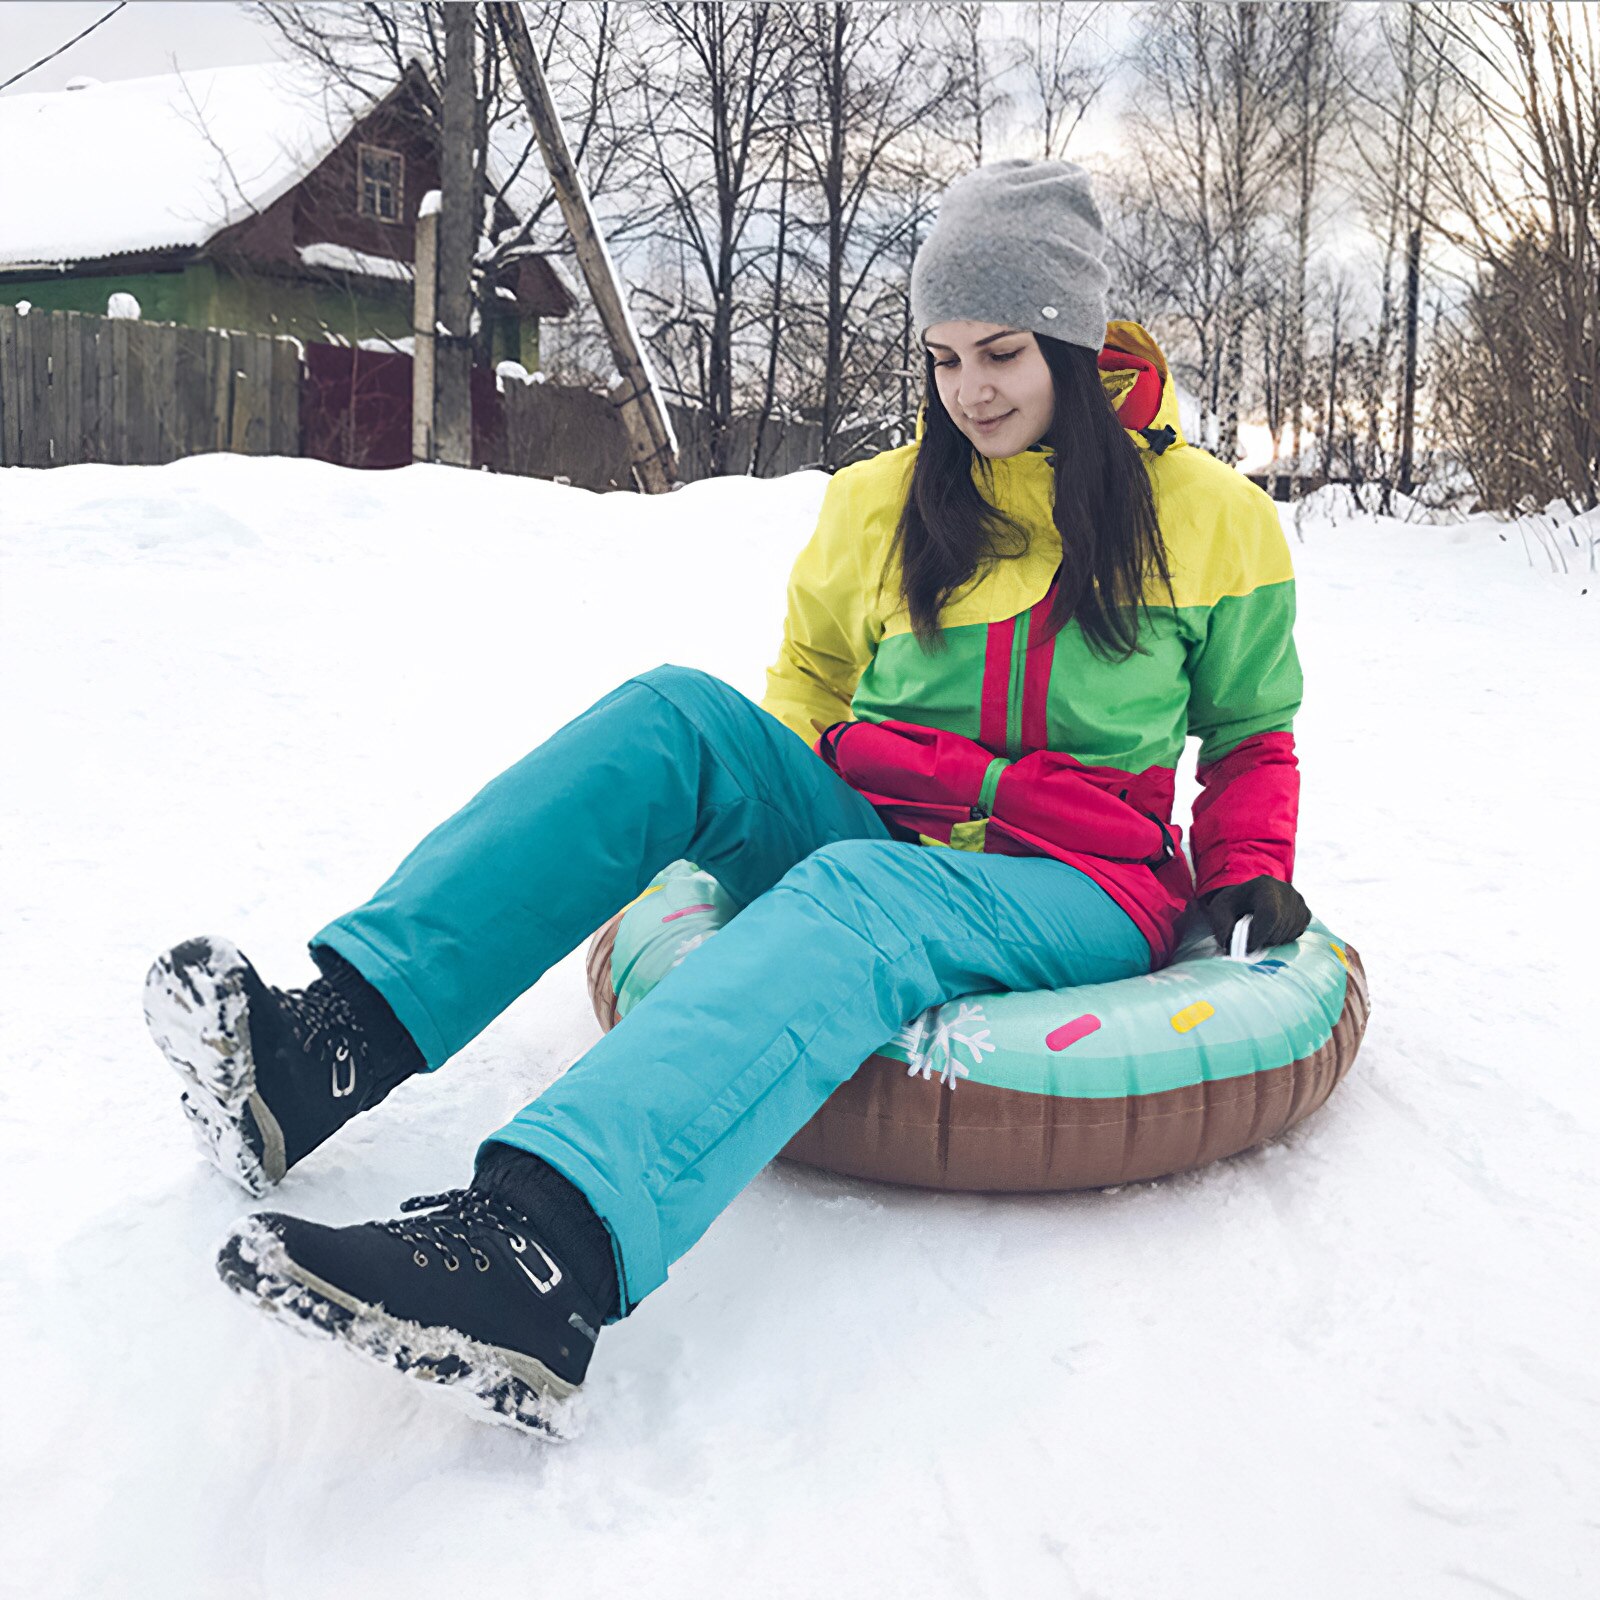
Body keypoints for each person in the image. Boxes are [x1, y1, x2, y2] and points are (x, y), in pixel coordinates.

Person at [143, 159, 1309, 1438]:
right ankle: (326, 1048)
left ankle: (540, 1257)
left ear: (1074, 345)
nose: (969, 391)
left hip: (1077, 885)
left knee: (860, 890)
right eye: (940, 359)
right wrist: (755, 794)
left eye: (1003, 353)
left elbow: (1251, 729)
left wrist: (1247, 870)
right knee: (672, 718)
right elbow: (807, 684)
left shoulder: (1210, 521)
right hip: (883, 831)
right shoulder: (881, 503)